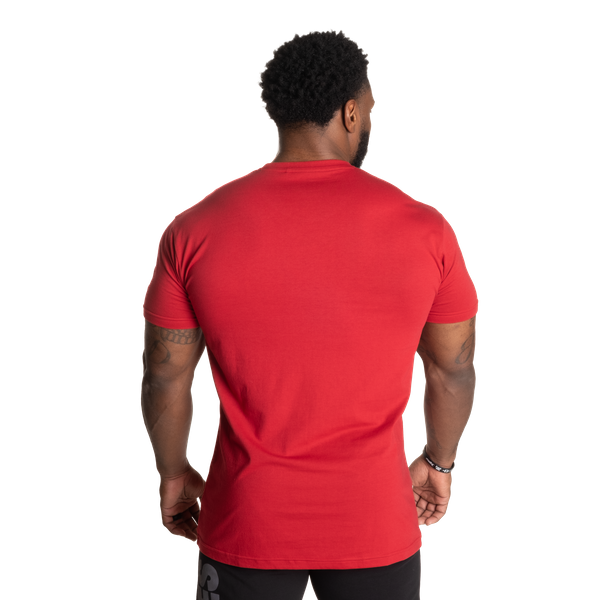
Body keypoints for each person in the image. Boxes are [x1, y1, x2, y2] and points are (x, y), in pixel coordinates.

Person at [141, 29, 478, 600]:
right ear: (351, 112)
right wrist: (439, 464)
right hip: (374, 521)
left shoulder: (195, 230)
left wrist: (173, 474)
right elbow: (453, 368)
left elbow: (165, 373)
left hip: (247, 519)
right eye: (370, 108)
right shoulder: (426, 231)